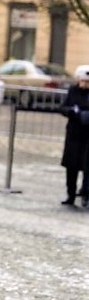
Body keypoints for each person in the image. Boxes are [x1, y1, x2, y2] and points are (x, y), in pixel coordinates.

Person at [59, 68, 89, 207]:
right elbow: (63, 108)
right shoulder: (73, 91)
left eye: (87, 82)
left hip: (87, 135)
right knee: (71, 166)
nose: (85, 84)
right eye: (83, 81)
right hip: (74, 134)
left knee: (87, 167)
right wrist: (72, 112)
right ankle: (70, 194)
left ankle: (86, 194)